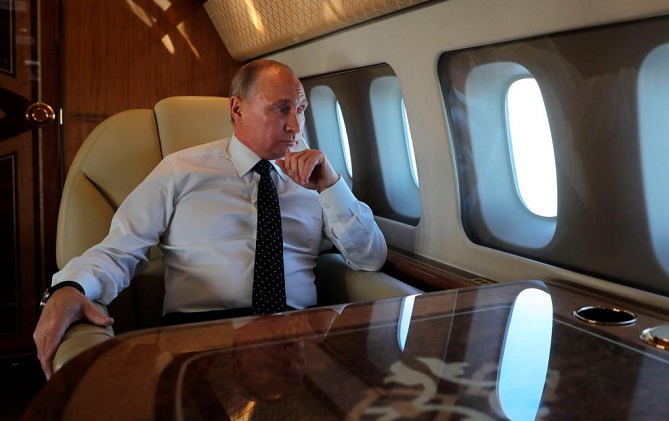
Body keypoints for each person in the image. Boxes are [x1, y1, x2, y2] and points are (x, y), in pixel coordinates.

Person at [33, 59, 387, 380]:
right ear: (238, 109)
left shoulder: (316, 177)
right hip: (198, 339)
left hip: (296, 339)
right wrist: (70, 287)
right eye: (282, 109)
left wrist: (331, 186)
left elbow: (370, 258)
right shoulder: (181, 170)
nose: (295, 125)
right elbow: (120, 249)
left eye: (301, 109)